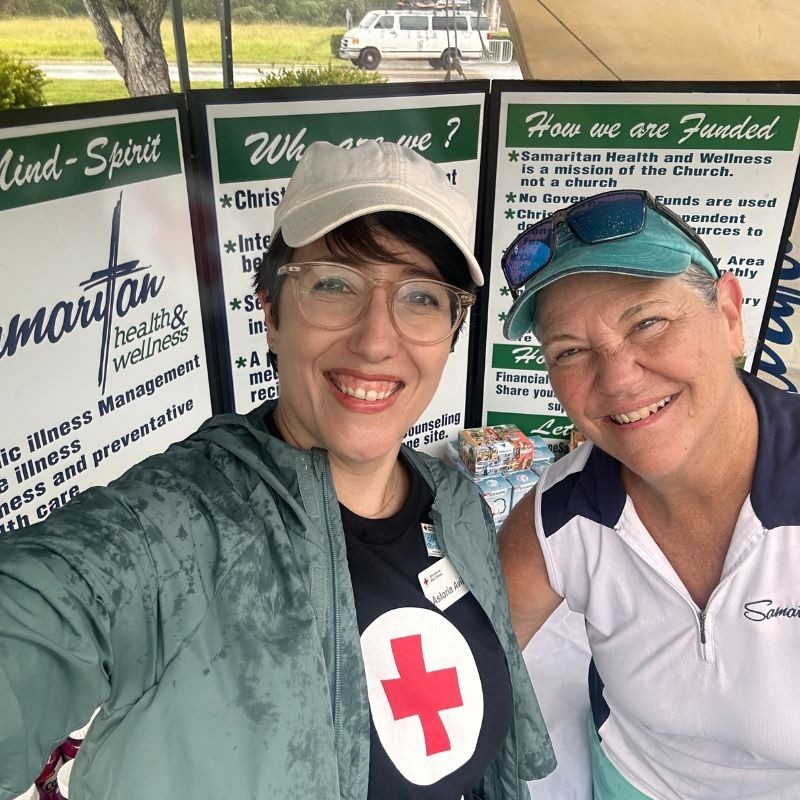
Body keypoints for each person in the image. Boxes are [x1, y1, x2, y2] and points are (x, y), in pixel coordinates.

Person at [0, 140, 555, 800]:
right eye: (333, 283)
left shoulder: (456, 501)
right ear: (270, 312)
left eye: (421, 297)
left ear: (453, 329)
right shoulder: (173, 529)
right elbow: (40, 616)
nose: (377, 339)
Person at [498, 189, 800, 800]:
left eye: (648, 323)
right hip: (632, 784)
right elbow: (470, 657)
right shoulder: (562, 514)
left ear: (729, 314)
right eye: (571, 351)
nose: (618, 378)